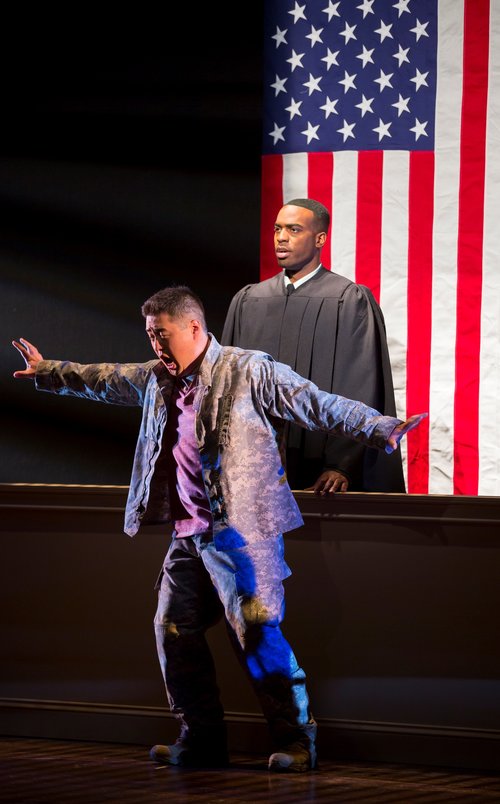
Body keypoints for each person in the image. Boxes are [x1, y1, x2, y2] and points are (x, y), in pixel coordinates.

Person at [12, 284, 425, 773]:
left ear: (193, 327)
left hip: (242, 533)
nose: (156, 347)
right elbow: (106, 378)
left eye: (162, 335)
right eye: (149, 336)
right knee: (172, 631)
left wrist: (380, 428)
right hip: (188, 536)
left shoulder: (248, 368)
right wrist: (49, 371)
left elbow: (316, 403)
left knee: (256, 630)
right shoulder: (156, 379)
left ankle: (297, 741)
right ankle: (201, 738)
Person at [221, 198, 405, 495]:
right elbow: (228, 384)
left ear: (320, 239)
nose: (281, 237)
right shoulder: (249, 300)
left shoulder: (347, 300)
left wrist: (341, 463)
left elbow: (361, 382)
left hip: (323, 471)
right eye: (277, 228)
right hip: (254, 470)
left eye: (294, 230)